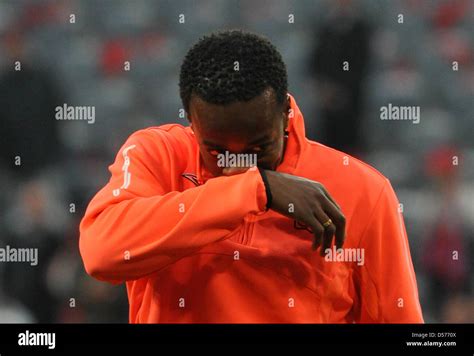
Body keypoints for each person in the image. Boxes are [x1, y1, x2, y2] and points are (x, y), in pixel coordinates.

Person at [79, 30, 423, 323]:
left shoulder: (362, 189)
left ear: (286, 111)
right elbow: (102, 253)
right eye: (217, 150)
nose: (239, 162)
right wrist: (257, 189)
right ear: (191, 121)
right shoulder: (158, 154)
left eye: (259, 147)